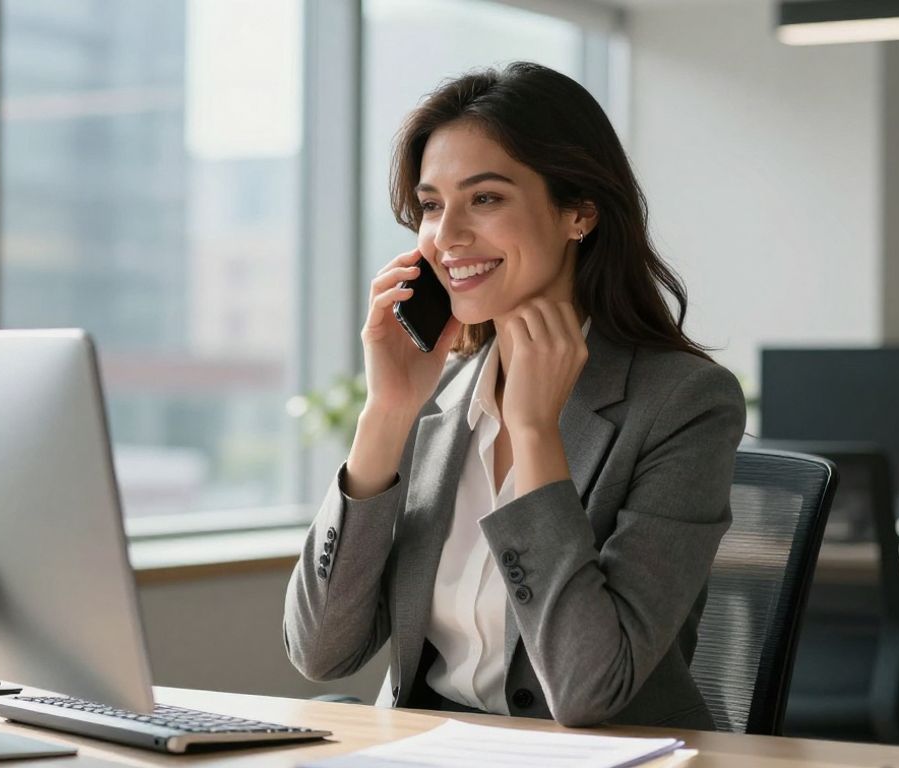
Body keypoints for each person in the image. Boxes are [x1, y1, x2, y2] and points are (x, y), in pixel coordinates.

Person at [283, 62, 745, 730]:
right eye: (433, 205)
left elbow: (591, 688)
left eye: (486, 199)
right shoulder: (437, 397)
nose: (447, 237)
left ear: (579, 212)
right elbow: (321, 652)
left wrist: (534, 436)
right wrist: (385, 415)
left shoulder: (683, 403)